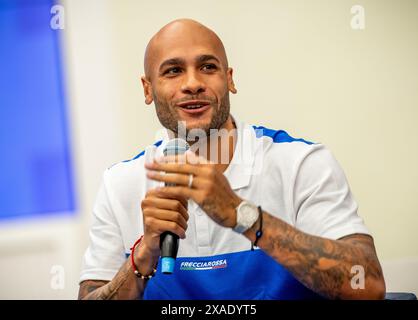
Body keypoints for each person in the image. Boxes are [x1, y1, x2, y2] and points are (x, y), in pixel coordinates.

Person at [78, 19, 385, 300]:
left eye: (208, 67)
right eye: (173, 71)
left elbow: (368, 286)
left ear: (229, 80)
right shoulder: (120, 184)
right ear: (147, 89)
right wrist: (143, 255)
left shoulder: (300, 163)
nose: (192, 83)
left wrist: (243, 215)